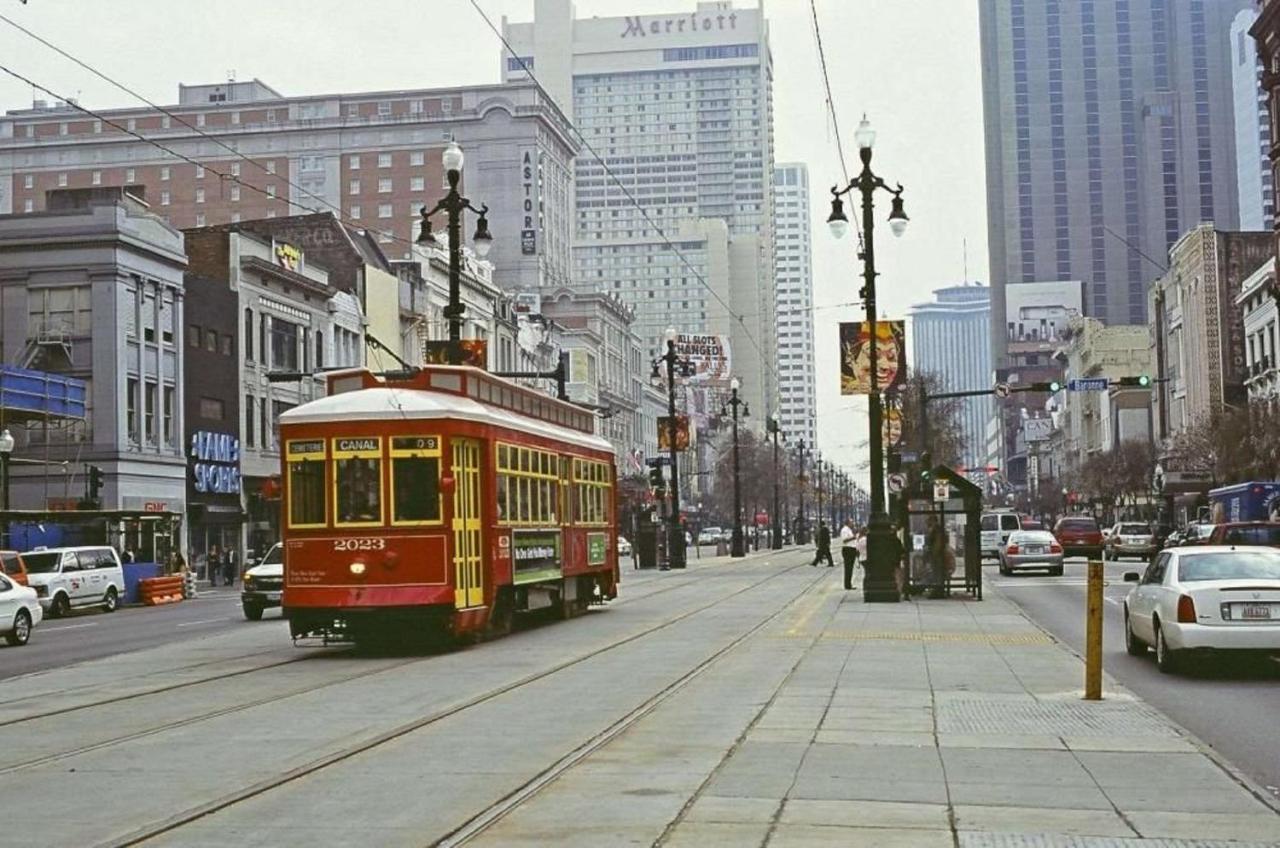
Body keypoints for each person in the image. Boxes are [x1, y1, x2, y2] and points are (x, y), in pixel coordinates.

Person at [925, 515, 948, 599]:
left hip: (937, 555)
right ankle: (937, 589)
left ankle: (938, 590)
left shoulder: (937, 530)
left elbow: (938, 543)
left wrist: (934, 553)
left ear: (933, 521)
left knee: (937, 573)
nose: (927, 523)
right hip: (937, 555)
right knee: (936, 573)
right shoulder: (937, 529)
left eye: (928, 521)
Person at [839, 519, 859, 590]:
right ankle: (847, 585)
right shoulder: (844, 530)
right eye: (851, 522)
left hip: (852, 550)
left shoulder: (850, 530)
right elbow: (844, 540)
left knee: (850, 568)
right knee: (848, 568)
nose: (853, 523)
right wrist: (854, 537)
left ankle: (849, 584)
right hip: (848, 550)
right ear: (848, 523)